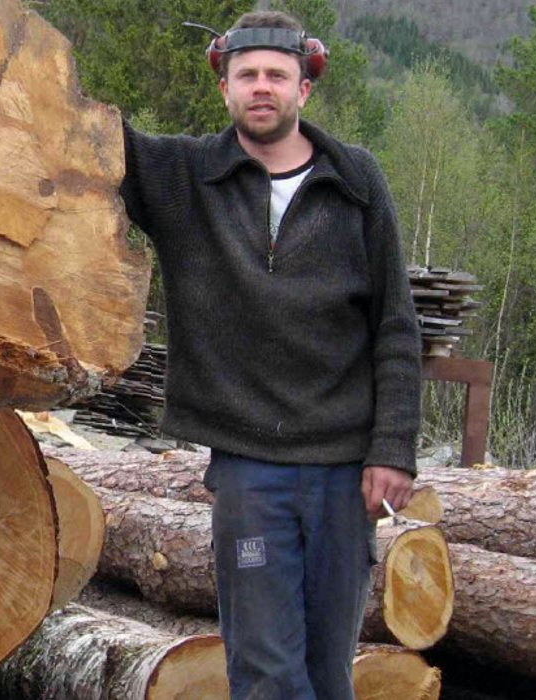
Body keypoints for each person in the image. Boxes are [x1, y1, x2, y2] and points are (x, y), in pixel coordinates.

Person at [117, 10, 421, 700]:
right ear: (224, 87)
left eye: (276, 76)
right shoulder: (186, 176)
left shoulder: (355, 179)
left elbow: (395, 326)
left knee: (326, 671)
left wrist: (393, 448)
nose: (261, 87)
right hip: (251, 475)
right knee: (264, 671)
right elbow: (84, 136)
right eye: (246, 74)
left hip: (344, 475)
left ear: (303, 90)